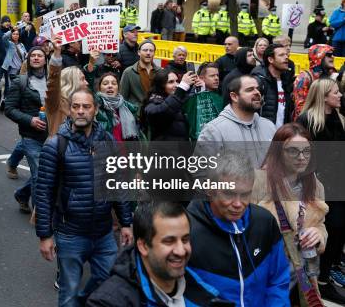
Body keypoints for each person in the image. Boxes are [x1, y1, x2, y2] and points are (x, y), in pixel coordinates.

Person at [35, 88, 133, 307]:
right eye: (76, 106)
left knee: (106, 282)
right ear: (69, 110)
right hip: (71, 234)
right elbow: (43, 193)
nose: (81, 111)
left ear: (95, 110)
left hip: (104, 233)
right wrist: (45, 235)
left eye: (86, 107)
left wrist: (126, 222)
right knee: (68, 292)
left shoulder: (107, 141)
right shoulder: (55, 145)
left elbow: (117, 183)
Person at [187, 153, 290, 306]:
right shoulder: (186, 232)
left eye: (245, 195)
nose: (238, 203)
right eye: (229, 194)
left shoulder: (265, 222)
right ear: (209, 189)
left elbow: (278, 280)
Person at [86, 202, 224, 307]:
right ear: (143, 246)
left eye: (185, 239)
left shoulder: (204, 290)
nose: (181, 251)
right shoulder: (108, 302)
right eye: (169, 241)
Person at [251, 123, 330, 305]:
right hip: (263, 278)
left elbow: (320, 223)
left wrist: (319, 235)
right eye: (293, 151)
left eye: (306, 151)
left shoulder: (315, 186)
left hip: (300, 277)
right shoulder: (258, 182)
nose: (301, 157)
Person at [297, 78, 345, 303]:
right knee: (328, 230)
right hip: (318, 187)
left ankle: (327, 276)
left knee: (339, 232)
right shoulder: (307, 120)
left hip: (339, 183)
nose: (340, 96)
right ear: (324, 96)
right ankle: (319, 281)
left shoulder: (338, 118)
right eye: (336, 92)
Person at [195, 75, 276, 171]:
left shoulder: (269, 126)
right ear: (234, 97)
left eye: (258, 89)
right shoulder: (215, 130)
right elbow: (199, 171)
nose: (257, 92)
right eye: (250, 90)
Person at [4, 46, 49, 212]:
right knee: (40, 175)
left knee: (47, 172)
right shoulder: (20, 81)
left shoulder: (54, 80)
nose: (36, 58)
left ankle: (22, 194)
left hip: (52, 135)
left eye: (40, 55)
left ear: (45, 60)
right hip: (31, 137)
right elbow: (9, 108)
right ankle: (41, 216)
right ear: (29, 60)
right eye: (33, 56)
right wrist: (30, 120)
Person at [45, 34, 89, 137]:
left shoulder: (84, 101)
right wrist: (56, 53)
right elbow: (53, 82)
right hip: (60, 150)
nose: (87, 83)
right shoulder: (57, 102)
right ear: (71, 81)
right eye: (82, 79)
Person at [145, 69, 193, 141]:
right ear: (160, 85)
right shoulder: (153, 102)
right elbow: (163, 111)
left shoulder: (176, 100)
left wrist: (193, 88)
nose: (176, 85)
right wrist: (181, 88)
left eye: (177, 81)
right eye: (171, 82)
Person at [251, 43, 293, 127]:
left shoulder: (287, 81)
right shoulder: (259, 80)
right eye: (281, 55)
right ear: (270, 59)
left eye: (286, 54)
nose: (286, 57)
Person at [95, 72, 143, 142]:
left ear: (118, 88)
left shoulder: (128, 108)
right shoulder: (95, 106)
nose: (110, 86)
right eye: (105, 84)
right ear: (99, 88)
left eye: (114, 83)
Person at [293, 44, 336, 120]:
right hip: (309, 124)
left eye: (333, 54)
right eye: (329, 55)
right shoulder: (304, 78)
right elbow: (300, 109)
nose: (333, 57)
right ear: (319, 57)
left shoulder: (332, 76)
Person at [120, 39, 160, 117]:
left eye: (151, 50)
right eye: (145, 50)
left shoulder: (160, 72)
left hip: (156, 115)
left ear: (154, 53)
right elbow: (123, 97)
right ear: (139, 52)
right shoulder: (128, 72)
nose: (148, 53)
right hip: (136, 117)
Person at [1, 27, 27, 95]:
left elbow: (26, 55)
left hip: (21, 70)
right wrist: (11, 30)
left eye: (17, 34)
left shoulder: (21, 45)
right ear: (11, 35)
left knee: (20, 89)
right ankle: (6, 102)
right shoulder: (9, 44)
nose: (16, 36)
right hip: (12, 70)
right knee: (11, 89)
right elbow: (4, 37)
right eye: (14, 34)